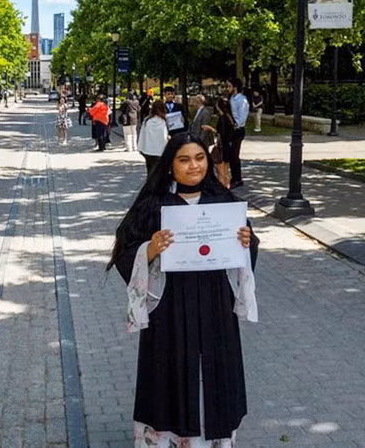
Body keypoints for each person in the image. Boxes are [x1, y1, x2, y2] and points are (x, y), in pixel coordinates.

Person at [107, 133, 259, 448]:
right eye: (184, 159)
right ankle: (166, 440)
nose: (194, 166)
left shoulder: (224, 201)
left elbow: (246, 250)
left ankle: (213, 439)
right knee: (169, 367)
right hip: (170, 306)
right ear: (170, 166)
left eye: (200, 158)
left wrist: (246, 243)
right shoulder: (155, 204)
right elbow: (125, 250)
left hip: (214, 301)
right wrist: (150, 249)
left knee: (215, 368)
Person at [203, 97, 235, 188]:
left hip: (222, 148)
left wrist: (210, 129)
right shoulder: (229, 117)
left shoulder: (223, 118)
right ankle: (227, 189)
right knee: (226, 171)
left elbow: (221, 133)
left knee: (221, 173)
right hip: (227, 147)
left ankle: (223, 190)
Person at [227, 78, 249, 188]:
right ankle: (234, 176)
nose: (228, 89)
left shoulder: (242, 100)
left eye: (229, 86)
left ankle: (238, 178)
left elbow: (242, 116)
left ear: (235, 87)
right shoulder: (232, 98)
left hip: (238, 130)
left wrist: (236, 125)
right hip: (231, 129)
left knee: (235, 154)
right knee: (231, 155)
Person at [137, 100, 169, 175]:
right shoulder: (163, 121)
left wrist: (141, 148)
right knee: (159, 175)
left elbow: (142, 135)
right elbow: (163, 137)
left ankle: (150, 186)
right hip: (159, 152)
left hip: (148, 151)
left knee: (150, 172)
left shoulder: (147, 120)